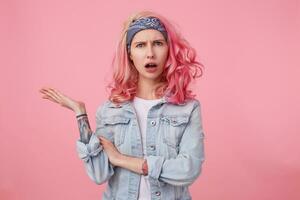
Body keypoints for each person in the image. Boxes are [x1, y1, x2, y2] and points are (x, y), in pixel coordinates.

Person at [39, 10, 205, 200]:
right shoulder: (110, 110)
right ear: (130, 54)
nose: (150, 53)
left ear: (169, 50)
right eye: (140, 45)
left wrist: (120, 159)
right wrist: (80, 114)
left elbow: (188, 170)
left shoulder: (188, 108)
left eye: (158, 43)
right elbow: (99, 174)